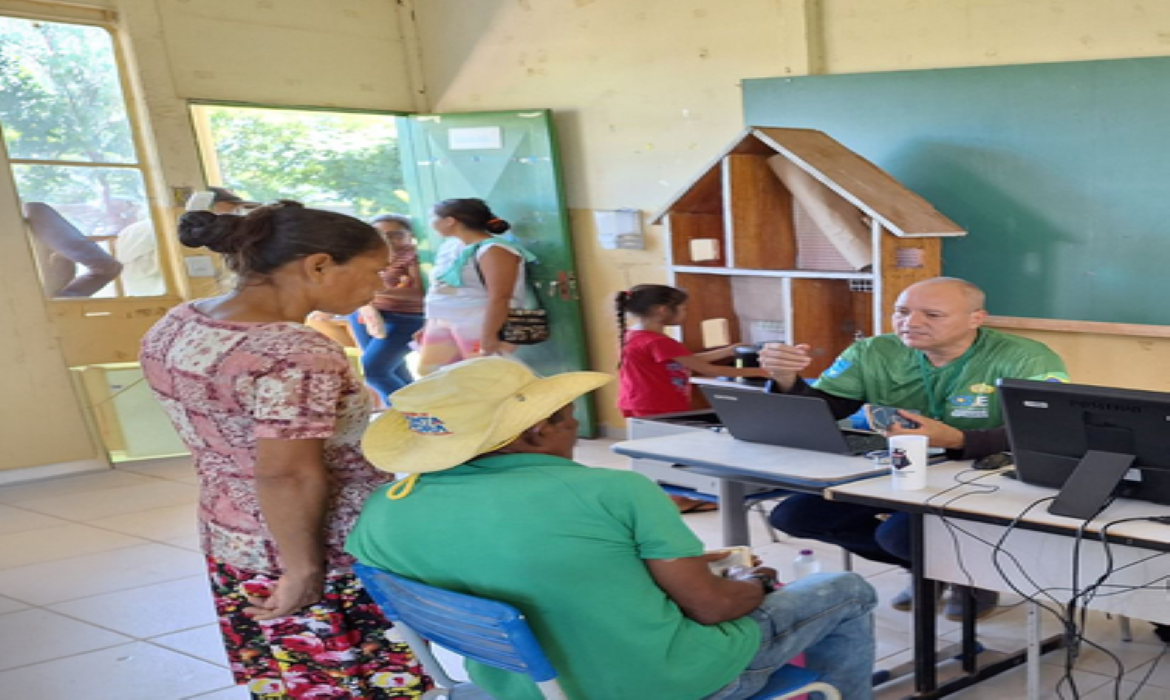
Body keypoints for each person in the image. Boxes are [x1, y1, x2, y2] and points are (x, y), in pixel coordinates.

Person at [347, 357, 878, 700]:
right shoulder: (614, 490)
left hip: (519, 689)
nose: (576, 424)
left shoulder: (386, 509)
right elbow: (712, 608)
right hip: (663, 682)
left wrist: (677, 567)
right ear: (538, 431)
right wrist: (753, 584)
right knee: (848, 590)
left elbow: (526, 566)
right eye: (566, 415)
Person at [140, 201, 429, 699]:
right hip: (320, 548)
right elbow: (287, 474)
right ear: (318, 265)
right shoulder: (295, 353)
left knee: (288, 680)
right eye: (373, 272)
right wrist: (302, 570)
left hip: (232, 537)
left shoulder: (180, 323)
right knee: (353, 683)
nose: (380, 285)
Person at [760, 276, 1069, 619]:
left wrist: (959, 440)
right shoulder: (873, 351)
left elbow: (1047, 430)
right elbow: (827, 408)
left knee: (899, 536)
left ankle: (970, 578)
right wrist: (785, 380)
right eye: (902, 311)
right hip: (896, 466)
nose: (911, 322)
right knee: (794, 517)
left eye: (932, 315)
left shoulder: (1027, 358)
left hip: (981, 475)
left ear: (976, 319)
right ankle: (930, 569)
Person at [616, 284, 772, 418]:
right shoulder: (659, 341)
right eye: (683, 309)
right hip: (658, 403)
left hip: (635, 401)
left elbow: (685, 360)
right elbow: (709, 370)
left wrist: (727, 351)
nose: (686, 313)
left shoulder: (633, 335)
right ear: (663, 310)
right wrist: (762, 372)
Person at [416, 198, 532, 375]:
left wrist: (489, 335)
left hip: (477, 322)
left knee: (482, 376)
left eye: (433, 218)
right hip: (443, 319)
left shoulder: (494, 249)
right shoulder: (450, 246)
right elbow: (438, 289)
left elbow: (500, 296)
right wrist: (429, 323)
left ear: (450, 221)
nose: (430, 224)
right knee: (433, 373)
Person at [116, 187, 257, 297]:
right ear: (209, 204)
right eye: (233, 208)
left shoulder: (133, 230)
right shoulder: (184, 232)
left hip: (139, 296)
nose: (236, 213)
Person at [346, 214, 425, 403]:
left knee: (373, 370)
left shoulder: (412, 256)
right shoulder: (363, 255)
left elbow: (418, 292)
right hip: (364, 314)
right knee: (395, 369)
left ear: (409, 235)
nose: (388, 240)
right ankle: (416, 411)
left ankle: (410, 413)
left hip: (402, 318)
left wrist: (370, 293)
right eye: (380, 234)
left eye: (395, 234)